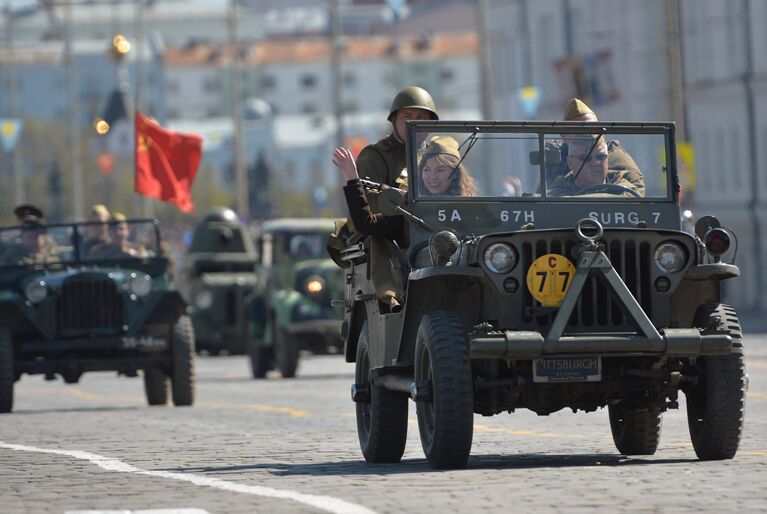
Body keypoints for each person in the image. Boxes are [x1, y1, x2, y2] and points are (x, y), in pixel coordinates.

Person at [328, 86, 439, 310]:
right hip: (380, 228)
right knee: (382, 241)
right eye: (407, 117)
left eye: (421, 118)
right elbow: (369, 204)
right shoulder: (376, 155)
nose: (413, 123)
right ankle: (390, 296)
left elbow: (459, 190)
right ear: (394, 120)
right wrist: (407, 198)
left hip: (428, 226)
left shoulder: (437, 155)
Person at [547, 136, 643, 197]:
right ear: (571, 163)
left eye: (601, 157)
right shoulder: (555, 198)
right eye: (586, 158)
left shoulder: (628, 193)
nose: (595, 163)